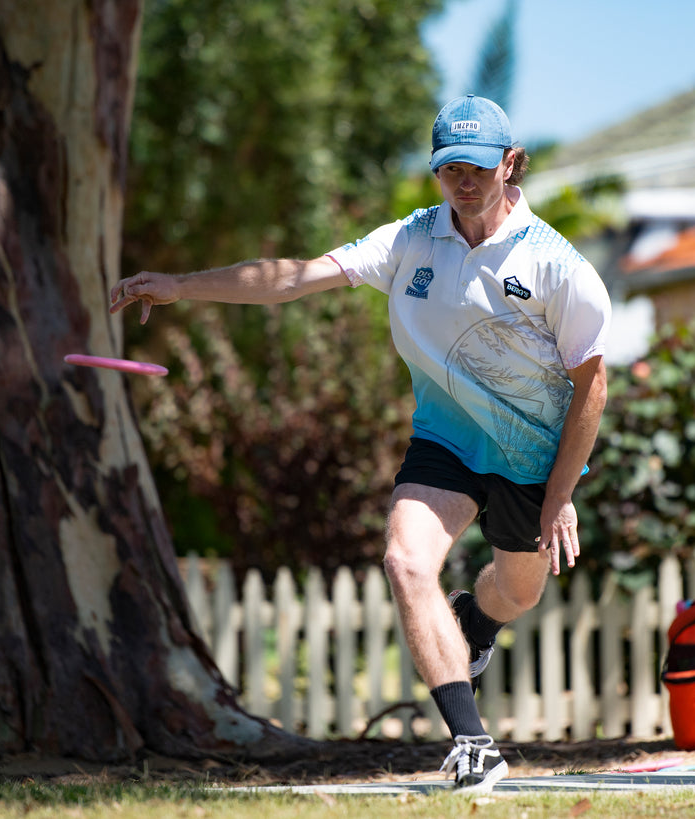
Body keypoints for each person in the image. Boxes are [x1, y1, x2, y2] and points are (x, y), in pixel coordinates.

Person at [110, 94, 611, 794]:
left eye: (477, 168)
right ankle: (471, 742)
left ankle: (476, 618)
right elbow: (293, 276)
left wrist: (559, 496)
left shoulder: (556, 264)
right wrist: (180, 286)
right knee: (405, 560)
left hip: (533, 455)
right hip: (446, 439)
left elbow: (593, 384)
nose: (464, 183)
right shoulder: (411, 239)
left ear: (510, 163)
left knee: (516, 592)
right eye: (449, 170)